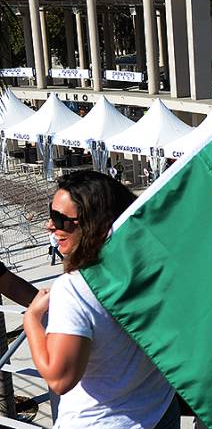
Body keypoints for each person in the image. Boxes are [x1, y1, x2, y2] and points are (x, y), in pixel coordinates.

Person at [23, 170, 179, 428]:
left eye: (60, 219)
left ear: (94, 223)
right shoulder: (155, 270)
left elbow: (60, 378)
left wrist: (32, 319)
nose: (49, 225)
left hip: (100, 421)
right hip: (159, 411)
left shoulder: (74, 288)